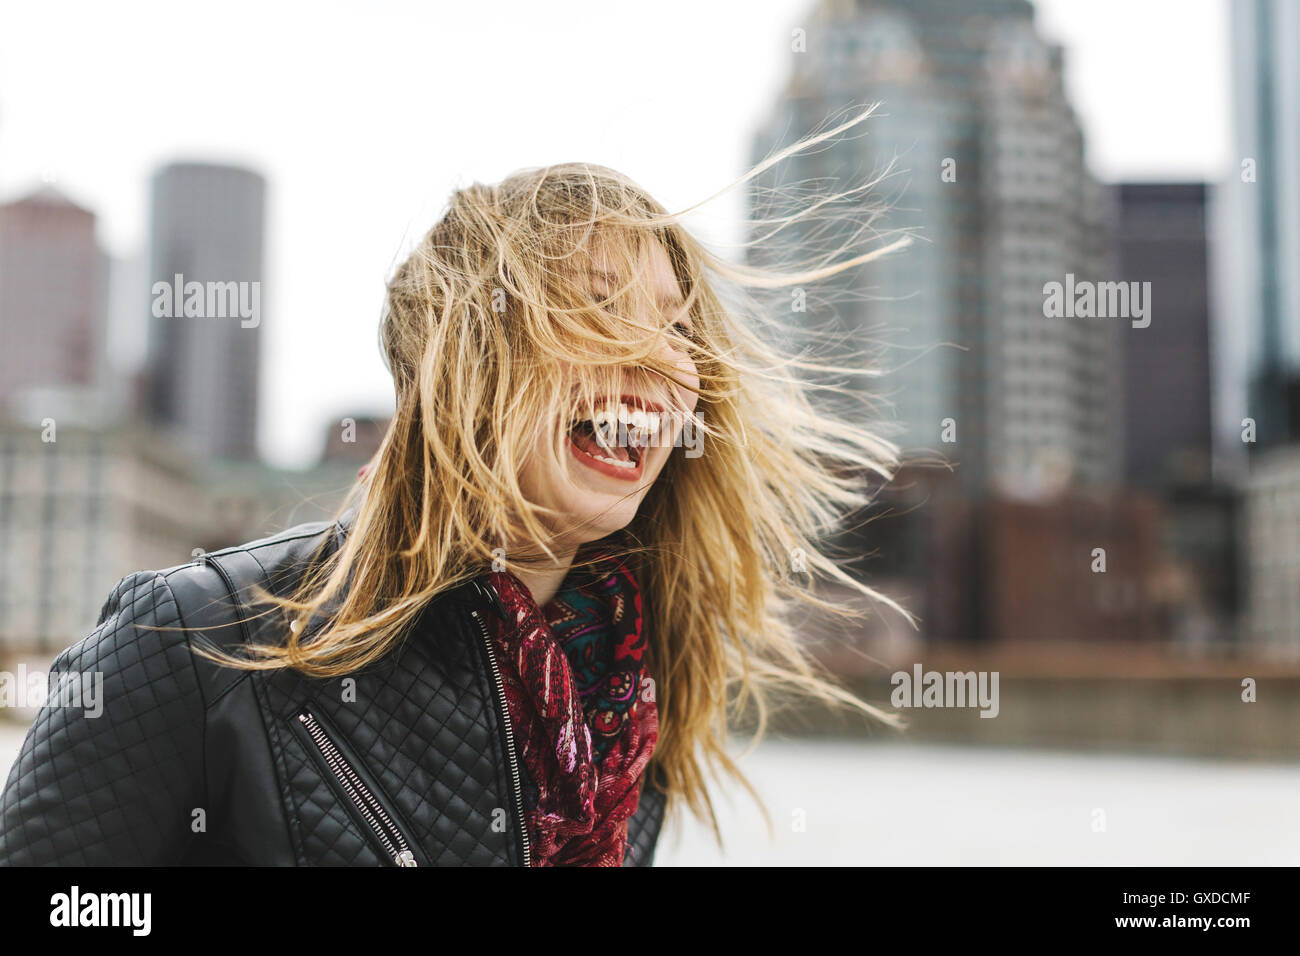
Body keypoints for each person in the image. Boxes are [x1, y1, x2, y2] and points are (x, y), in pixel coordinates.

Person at [0, 109, 909, 866]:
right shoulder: (193, 643)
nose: (658, 362)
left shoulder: (629, 702)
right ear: (468, 359)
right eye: (597, 309)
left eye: (675, 328)